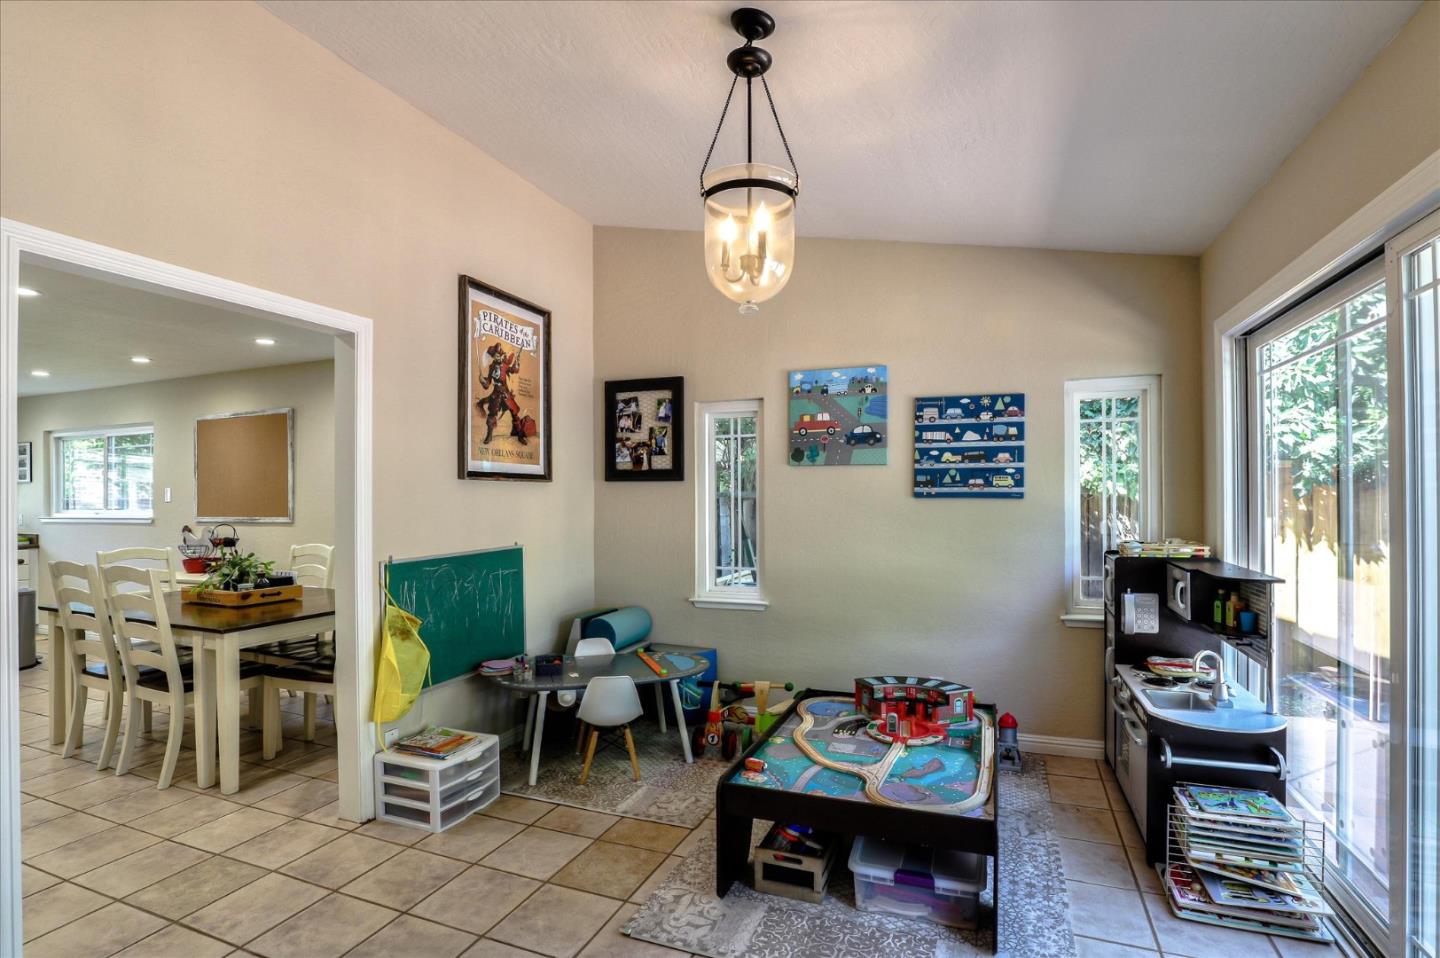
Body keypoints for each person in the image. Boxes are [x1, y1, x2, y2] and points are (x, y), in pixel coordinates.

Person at [478, 342, 526, 445]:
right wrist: (483, 381)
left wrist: (517, 363)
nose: (498, 357)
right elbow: (488, 383)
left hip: (506, 392)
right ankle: (489, 435)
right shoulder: (492, 367)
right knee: (492, 414)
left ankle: (519, 434)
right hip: (496, 393)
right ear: (493, 357)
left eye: (499, 355)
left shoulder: (505, 365)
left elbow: (513, 370)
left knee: (514, 413)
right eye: (496, 356)